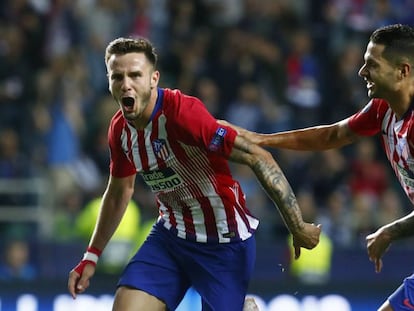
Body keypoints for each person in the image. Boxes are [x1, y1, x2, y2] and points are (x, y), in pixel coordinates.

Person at [67, 37, 321, 311]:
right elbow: (119, 192)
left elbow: (258, 157)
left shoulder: (182, 114)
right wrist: (91, 256)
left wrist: (297, 226)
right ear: (108, 82)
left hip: (223, 243)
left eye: (135, 75)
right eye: (117, 76)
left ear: (153, 79)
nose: (126, 83)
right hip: (171, 238)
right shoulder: (120, 130)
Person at [220, 24, 414, 311]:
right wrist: (262, 139)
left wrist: (390, 232)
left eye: (372, 65)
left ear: (403, 71)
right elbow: (332, 135)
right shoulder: (383, 109)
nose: (362, 72)